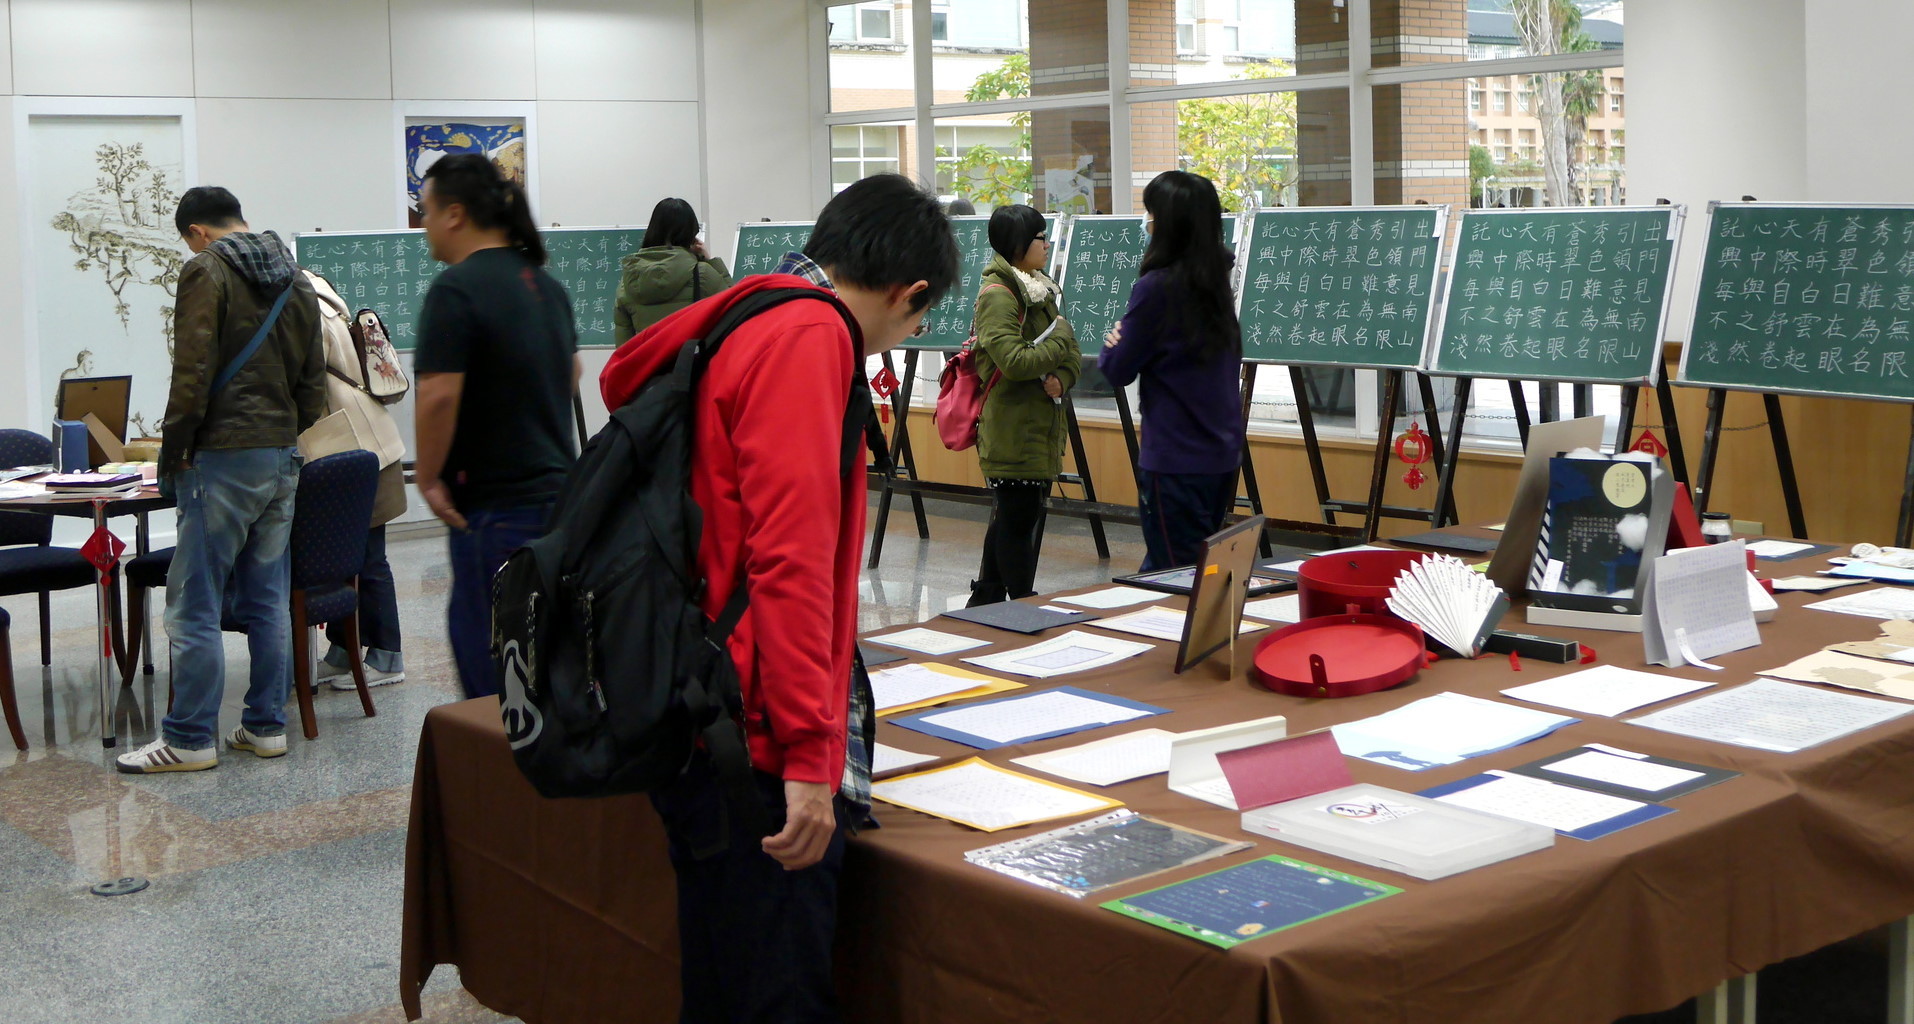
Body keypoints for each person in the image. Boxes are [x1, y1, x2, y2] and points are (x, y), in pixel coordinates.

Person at [598, 173, 958, 1023]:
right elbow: (791, 564)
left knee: (722, 977)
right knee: (775, 992)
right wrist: (806, 761)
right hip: (747, 728)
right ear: (908, 295)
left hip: (692, 692)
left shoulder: (746, 312)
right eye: (917, 320)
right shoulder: (809, 338)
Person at [117, 187, 325, 773]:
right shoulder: (295, 275)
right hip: (281, 454)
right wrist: (284, 431)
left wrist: (175, 452)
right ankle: (265, 726)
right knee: (266, 597)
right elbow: (313, 378)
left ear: (197, 232)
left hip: (222, 456)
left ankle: (188, 738)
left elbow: (193, 372)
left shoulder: (206, 271)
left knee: (195, 601)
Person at [413, 154, 580, 700]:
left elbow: (439, 395)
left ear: (455, 214)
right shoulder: (544, 285)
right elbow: (572, 375)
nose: (424, 223)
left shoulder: (455, 289)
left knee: (495, 674)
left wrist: (432, 477)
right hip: (562, 504)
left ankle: (502, 783)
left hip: (495, 510)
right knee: (553, 663)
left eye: (428, 210)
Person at [1098, 170, 1245, 572]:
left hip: (1175, 458)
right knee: (1193, 564)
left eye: (1151, 214)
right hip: (1220, 453)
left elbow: (1116, 368)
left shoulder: (1158, 287)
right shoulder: (1215, 282)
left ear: (1167, 224)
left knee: (1172, 572)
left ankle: (1164, 634)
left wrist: (1114, 339)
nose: (1148, 224)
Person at [966, 204, 1077, 607]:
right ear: (1018, 244)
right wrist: (1060, 339)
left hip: (1038, 425)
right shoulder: (999, 295)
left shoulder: (1039, 286)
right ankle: (1025, 606)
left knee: (1011, 518)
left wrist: (1060, 378)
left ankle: (987, 601)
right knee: (1017, 521)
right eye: (1039, 238)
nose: (1046, 244)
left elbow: (1073, 357)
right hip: (1012, 428)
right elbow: (1012, 362)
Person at [303, 271, 408, 690]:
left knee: (368, 557)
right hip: (366, 440)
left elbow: (305, 384)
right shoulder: (325, 299)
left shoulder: (302, 307)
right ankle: (345, 650)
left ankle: (388, 654)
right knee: (348, 558)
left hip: (359, 448)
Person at [613, 197, 734, 340]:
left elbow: (624, 346)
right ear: (690, 234)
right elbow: (735, 307)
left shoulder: (629, 280)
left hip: (650, 361)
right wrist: (710, 260)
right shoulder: (701, 273)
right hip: (690, 360)